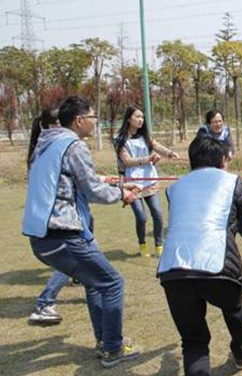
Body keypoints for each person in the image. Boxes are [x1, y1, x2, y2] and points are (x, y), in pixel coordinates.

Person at [22, 96, 143, 368]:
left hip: (42, 237)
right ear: (79, 121)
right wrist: (122, 192)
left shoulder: (47, 143)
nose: (95, 123)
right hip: (62, 235)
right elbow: (92, 190)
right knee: (113, 283)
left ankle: (104, 342)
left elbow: (66, 182)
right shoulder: (74, 145)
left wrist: (108, 183)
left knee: (95, 282)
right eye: (93, 118)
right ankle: (113, 348)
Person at [158, 136, 242, 376]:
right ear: (223, 160)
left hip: (174, 270)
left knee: (194, 341)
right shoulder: (233, 182)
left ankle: (239, 352)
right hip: (218, 266)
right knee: (234, 310)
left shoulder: (175, 188)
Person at [114, 106, 180, 257]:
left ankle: (159, 246)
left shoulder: (145, 136)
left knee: (157, 214)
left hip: (149, 179)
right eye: (137, 117)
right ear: (129, 119)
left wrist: (169, 153)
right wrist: (148, 159)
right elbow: (127, 161)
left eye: (142, 117)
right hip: (132, 183)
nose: (141, 120)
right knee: (141, 217)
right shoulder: (120, 140)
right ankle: (142, 244)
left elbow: (157, 146)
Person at [27, 108, 72, 326]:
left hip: (62, 218)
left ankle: (84, 279)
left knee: (86, 261)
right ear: (55, 125)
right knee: (73, 261)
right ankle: (44, 303)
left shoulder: (43, 148)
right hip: (59, 221)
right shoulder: (53, 149)